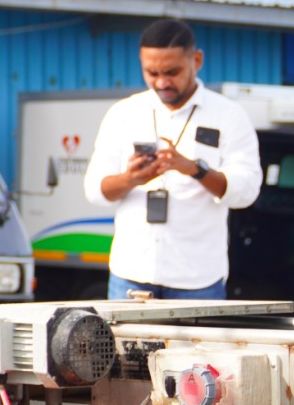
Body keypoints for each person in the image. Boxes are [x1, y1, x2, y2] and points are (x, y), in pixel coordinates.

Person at [87, 18, 262, 299]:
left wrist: (195, 170)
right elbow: (95, 190)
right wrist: (131, 178)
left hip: (197, 279)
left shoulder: (229, 115)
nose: (161, 82)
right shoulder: (124, 113)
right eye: (151, 72)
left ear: (197, 59)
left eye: (172, 72)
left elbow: (246, 192)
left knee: (202, 347)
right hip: (131, 275)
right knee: (124, 346)